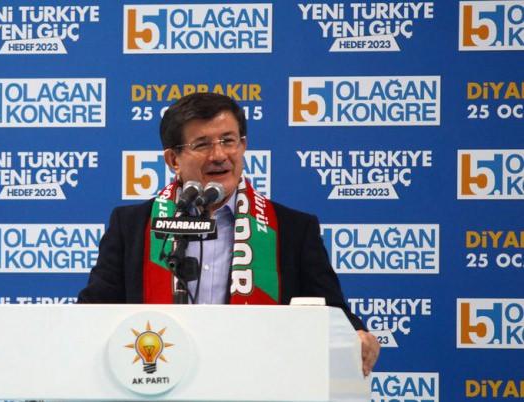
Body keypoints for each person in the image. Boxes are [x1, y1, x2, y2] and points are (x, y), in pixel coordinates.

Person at [77, 93, 380, 376]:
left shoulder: (293, 229)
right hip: (157, 381)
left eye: (228, 140)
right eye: (202, 144)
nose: (219, 155)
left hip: (256, 381)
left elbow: (333, 314)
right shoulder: (131, 226)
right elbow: (92, 315)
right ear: (173, 160)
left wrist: (357, 335)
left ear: (243, 145)